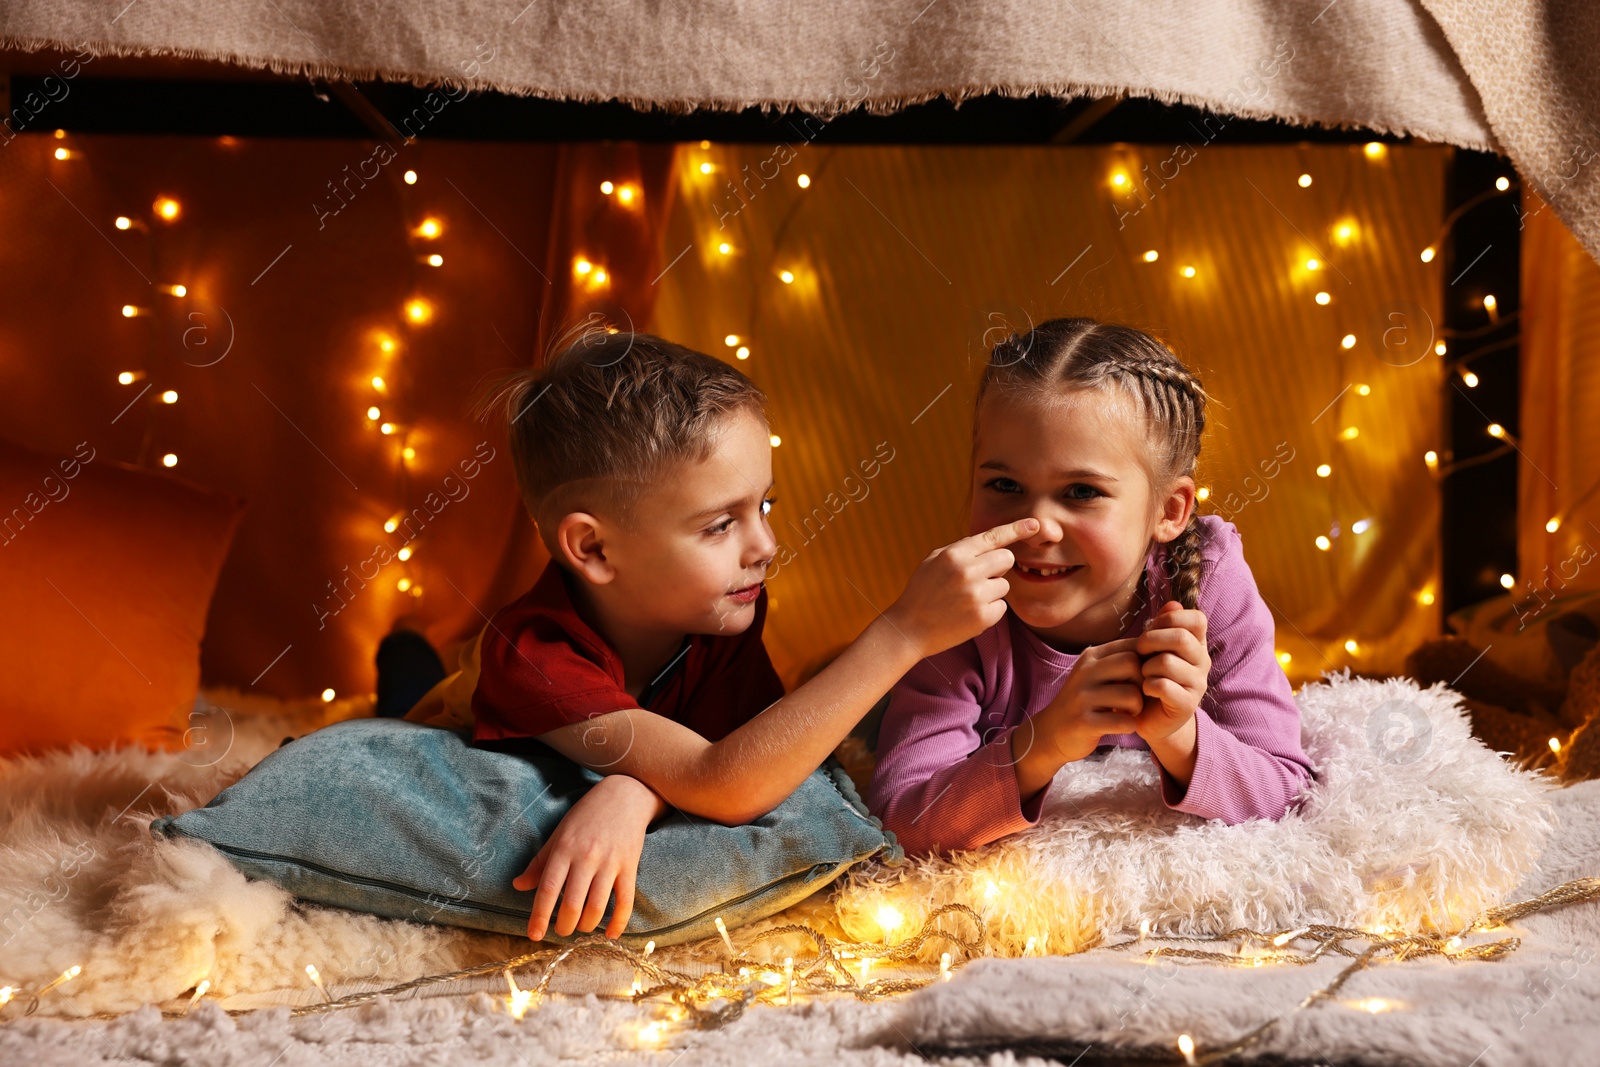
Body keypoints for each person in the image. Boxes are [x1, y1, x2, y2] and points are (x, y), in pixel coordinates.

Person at [387, 327, 1037, 942]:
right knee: (401, 701)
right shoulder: (536, 656)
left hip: (630, 732)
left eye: (765, 505)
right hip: (460, 716)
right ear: (594, 547)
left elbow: (743, 746)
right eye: (719, 524)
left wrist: (636, 788)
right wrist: (902, 631)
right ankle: (404, 659)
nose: (767, 544)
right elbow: (720, 778)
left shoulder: (719, 609)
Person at [867, 317, 1317, 855]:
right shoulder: (956, 608)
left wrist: (1178, 735)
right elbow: (901, 821)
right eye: (1005, 485)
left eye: (1081, 491)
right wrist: (1047, 740)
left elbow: (1287, 796)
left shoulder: (1209, 579)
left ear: (1170, 511)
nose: (1037, 526)